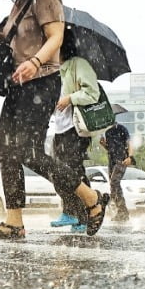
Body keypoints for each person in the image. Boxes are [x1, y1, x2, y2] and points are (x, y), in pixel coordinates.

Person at [0, 0, 106, 239]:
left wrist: (35, 63)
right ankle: (14, 221)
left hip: (41, 82)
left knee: (28, 151)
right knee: (6, 149)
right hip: (18, 82)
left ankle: (91, 198)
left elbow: (55, 38)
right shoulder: (20, 3)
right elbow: (18, 44)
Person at [50, 57, 101, 232]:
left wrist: (70, 98)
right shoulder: (53, 68)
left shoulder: (79, 64)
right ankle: (80, 213)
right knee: (59, 171)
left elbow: (92, 93)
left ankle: (78, 214)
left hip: (76, 129)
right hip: (60, 129)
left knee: (71, 171)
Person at [100, 123, 133, 222]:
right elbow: (109, 149)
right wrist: (103, 145)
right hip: (112, 161)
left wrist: (130, 157)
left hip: (122, 159)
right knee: (113, 185)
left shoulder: (121, 128)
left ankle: (123, 212)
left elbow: (129, 143)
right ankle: (121, 211)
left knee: (115, 182)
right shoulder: (107, 132)